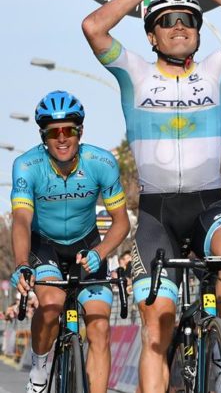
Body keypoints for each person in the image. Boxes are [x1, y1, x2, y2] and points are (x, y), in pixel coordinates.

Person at [82, 0, 221, 393]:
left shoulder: (216, 70)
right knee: (158, 324)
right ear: (152, 36)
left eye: (188, 19)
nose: (179, 26)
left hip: (209, 204)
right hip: (158, 215)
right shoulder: (134, 73)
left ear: (199, 31)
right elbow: (93, 27)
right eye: (167, 21)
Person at [10, 91, 130, 393]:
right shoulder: (27, 165)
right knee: (51, 305)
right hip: (44, 246)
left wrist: (100, 252)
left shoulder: (101, 162)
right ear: (43, 136)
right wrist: (22, 263)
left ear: (80, 132)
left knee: (100, 327)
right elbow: (22, 220)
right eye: (54, 132)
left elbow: (121, 222)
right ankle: (39, 371)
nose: (62, 138)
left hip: (87, 247)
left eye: (69, 130)